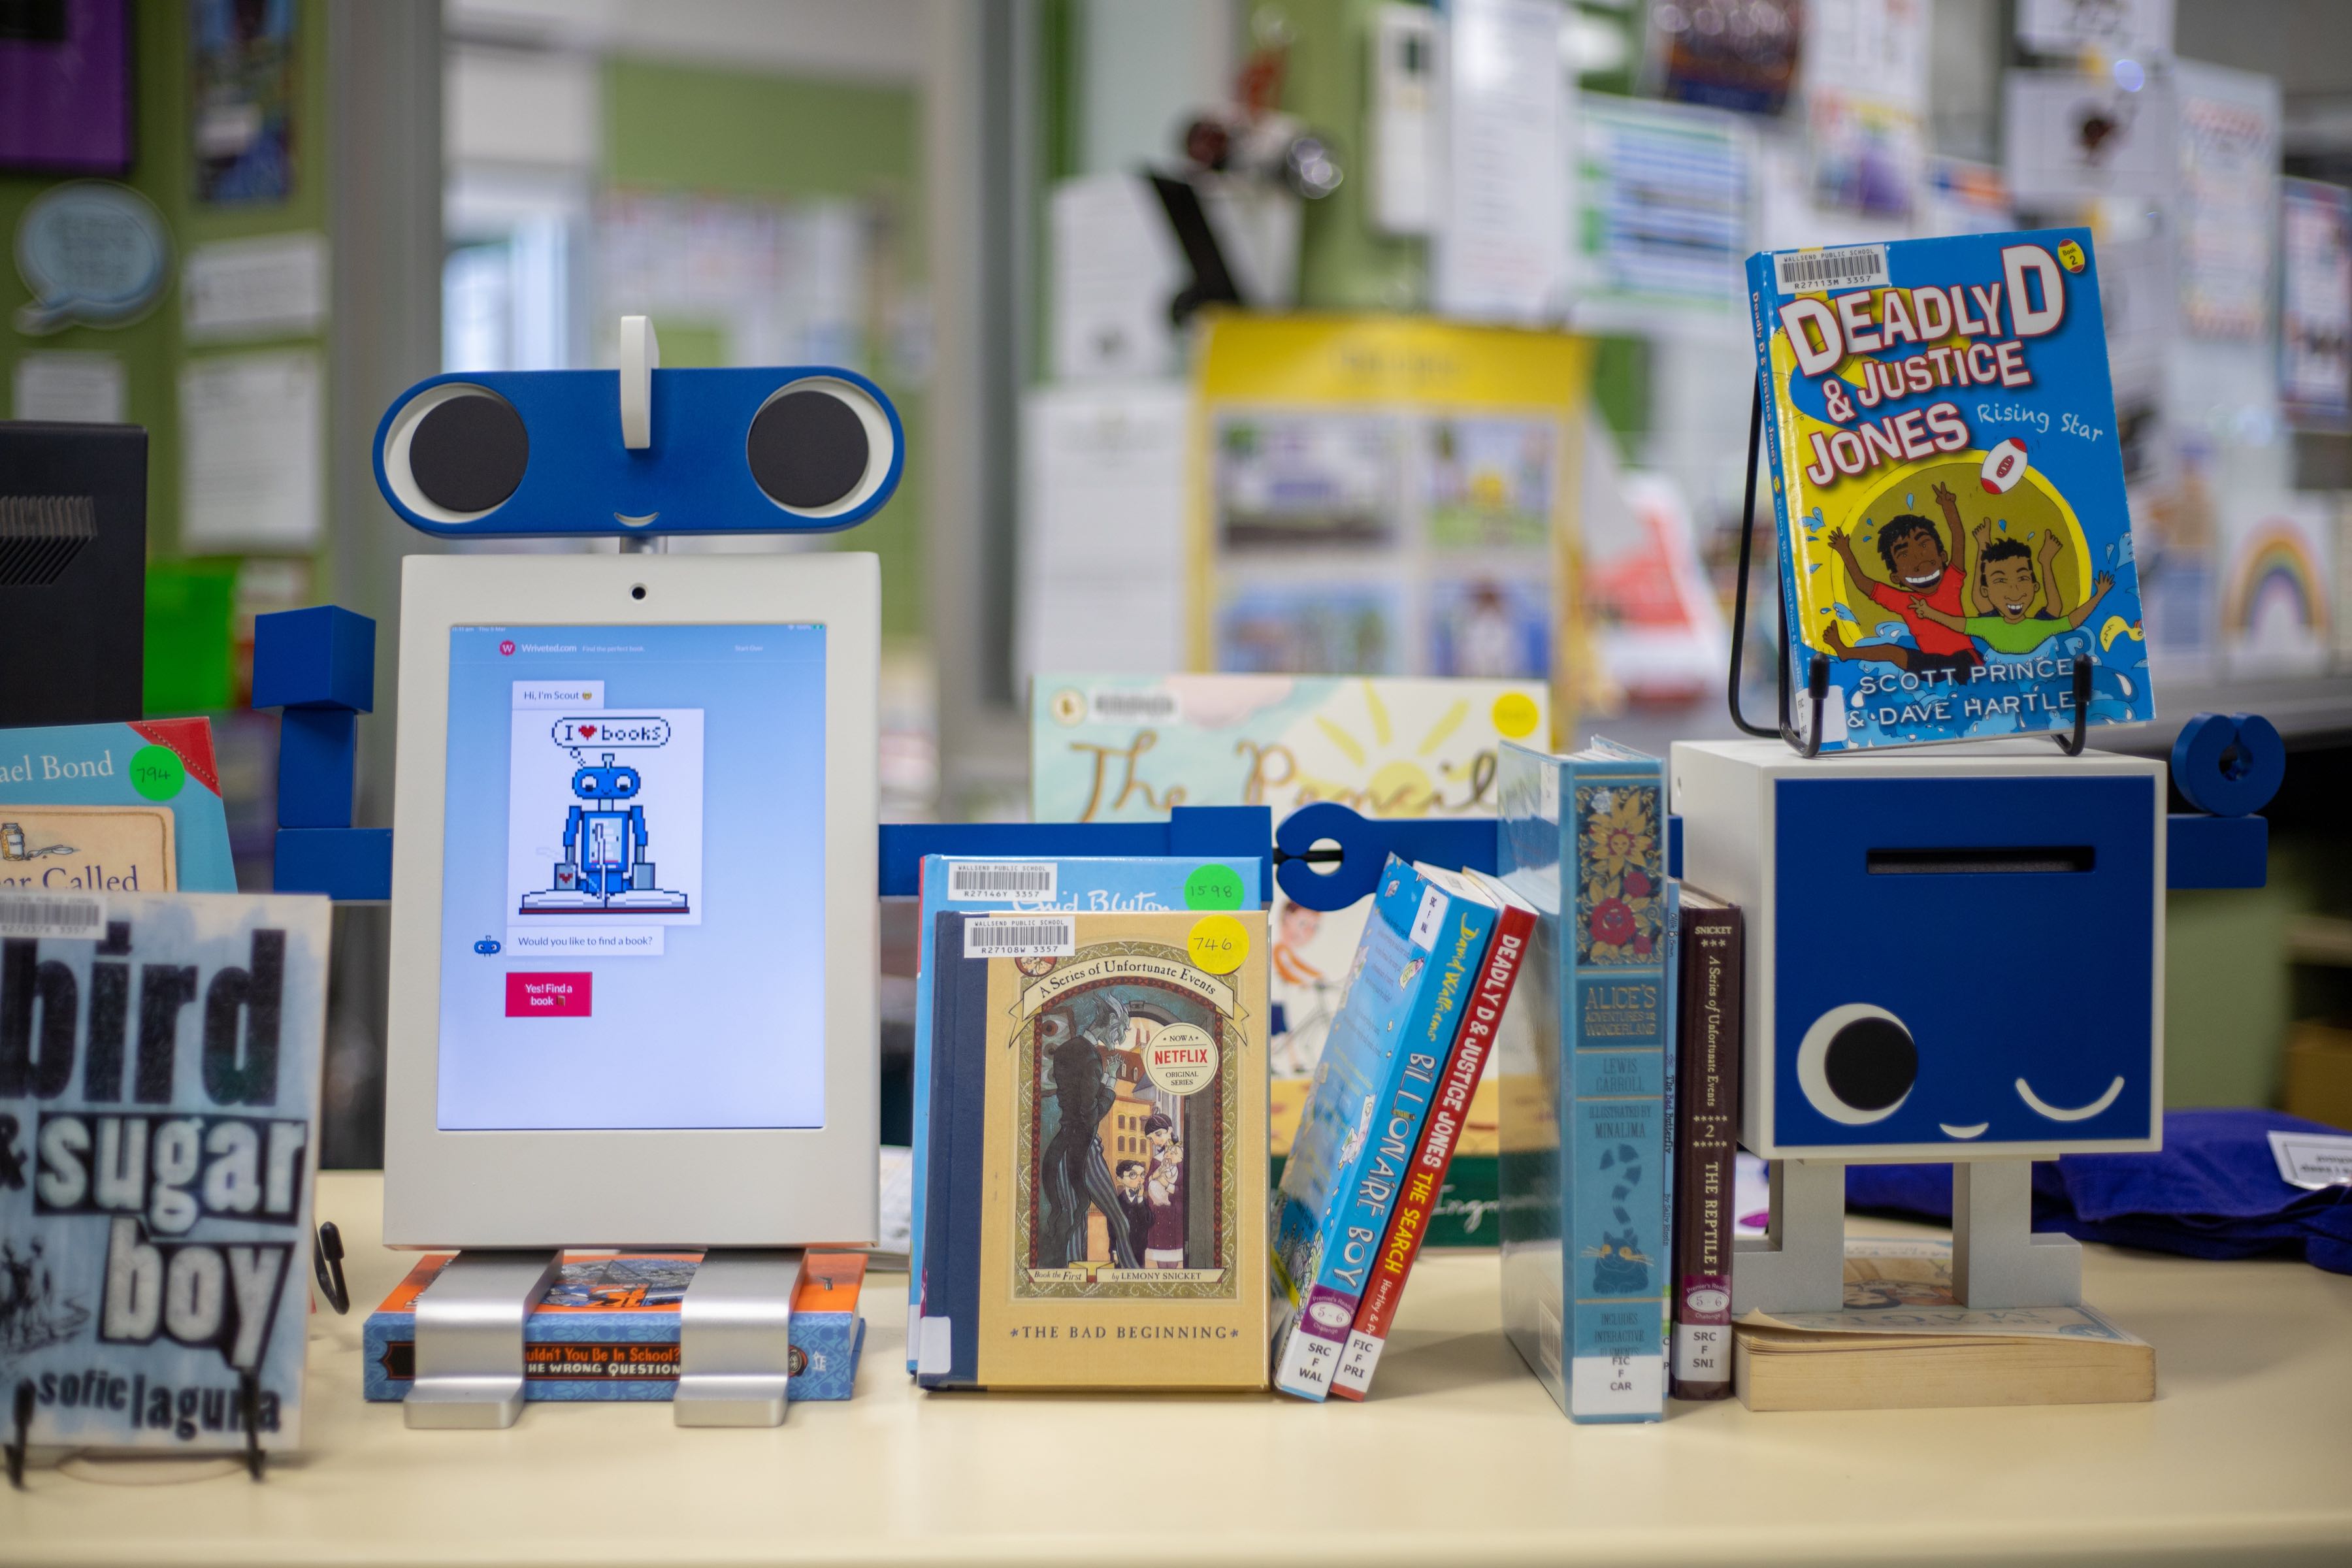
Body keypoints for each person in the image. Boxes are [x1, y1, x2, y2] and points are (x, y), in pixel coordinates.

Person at [1819, 482, 1981, 677]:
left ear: (1943, 557)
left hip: (1963, 659)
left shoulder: (1950, 583)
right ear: (1896, 577)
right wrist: (1845, 552)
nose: (1919, 561)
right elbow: (1863, 583)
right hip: (1929, 665)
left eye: (1924, 546)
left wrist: (1949, 508)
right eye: (1905, 556)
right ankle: (1846, 653)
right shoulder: (1904, 602)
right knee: (1891, 652)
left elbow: (1958, 539)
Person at [1910, 531, 2114, 655]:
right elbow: (1958, 623)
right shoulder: (1990, 625)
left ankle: (2044, 561)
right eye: (2002, 581)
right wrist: (1929, 613)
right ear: (1987, 589)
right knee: (1980, 601)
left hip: (2032, 641)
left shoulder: (2037, 628)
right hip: (1997, 635)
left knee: (2055, 608)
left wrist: (2099, 595)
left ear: (2035, 587)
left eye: (2023, 579)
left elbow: (2072, 620)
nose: (2014, 590)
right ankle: (1985, 548)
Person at [1144, 1137, 1186, 1268]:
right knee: (1160, 1252)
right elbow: (1145, 1184)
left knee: (1174, 1251)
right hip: (1158, 1213)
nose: (1168, 1155)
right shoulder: (1157, 1161)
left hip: (1175, 1214)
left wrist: (1167, 1185)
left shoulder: (1183, 1163)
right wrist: (1154, 1176)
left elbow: (1185, 1191)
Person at [1113, 1159, 1152, 1262]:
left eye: (1142, 1175)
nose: (1140, 1179)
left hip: (1140, 1248)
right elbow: (1112, 1228)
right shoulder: (1117, 1202)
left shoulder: (1144, 1201)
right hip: (1121, 1248)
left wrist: (1140, 1199)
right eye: (1133, 1175)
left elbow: (1148, 1222)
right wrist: (1114, 1250)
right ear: (1120, 1179)